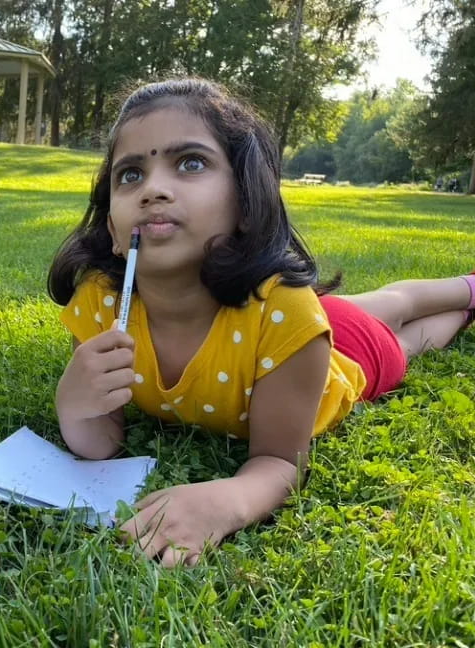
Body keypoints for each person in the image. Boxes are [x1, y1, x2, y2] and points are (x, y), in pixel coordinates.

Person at [46, 78, 475, 567]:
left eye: (190, 163)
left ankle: (466, 295)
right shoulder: (100, 303)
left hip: (339, 354)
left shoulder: (287, 310)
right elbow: (103, 441)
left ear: (245, 203)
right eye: (130, 174)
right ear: (113, 231)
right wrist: (75, 404)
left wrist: (227, 501)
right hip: (287, 331)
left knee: (405, 331)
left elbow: (278, 462)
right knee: (368, 305)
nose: (153, 190)